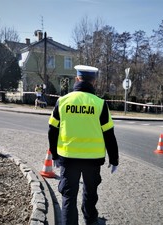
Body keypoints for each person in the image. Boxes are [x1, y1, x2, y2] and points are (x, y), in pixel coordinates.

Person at [48, 65, 119, 225]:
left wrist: (54, 154)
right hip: (92, 160)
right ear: (94, 81)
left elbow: (52, 129)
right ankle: (90, 219)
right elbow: (109, 134)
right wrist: (114, 159)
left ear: (76, 79)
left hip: (68, 158)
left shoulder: (63, 101)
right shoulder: (100, 104)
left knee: (68, 196)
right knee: (90, 193)